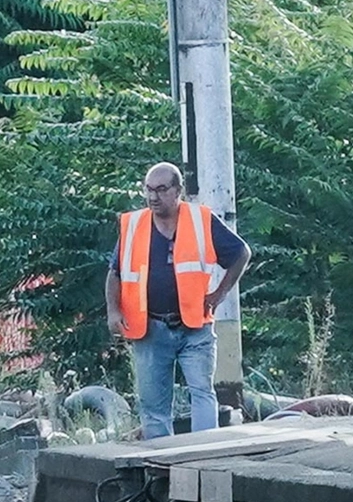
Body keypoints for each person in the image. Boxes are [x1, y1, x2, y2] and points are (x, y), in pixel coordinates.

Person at [106, 162, 251, 440]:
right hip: (149, 328)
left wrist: (219, 293)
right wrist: (114, 311)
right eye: (148, 189)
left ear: (178, 191)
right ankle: (162, 469)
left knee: (202, 393)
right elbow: (115, 273)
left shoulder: (201, 220)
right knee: (153, 406)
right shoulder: (133, 225)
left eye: (161, 189)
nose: (153, 197)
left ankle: (204, 459)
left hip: (194, 326)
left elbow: (241, 253)